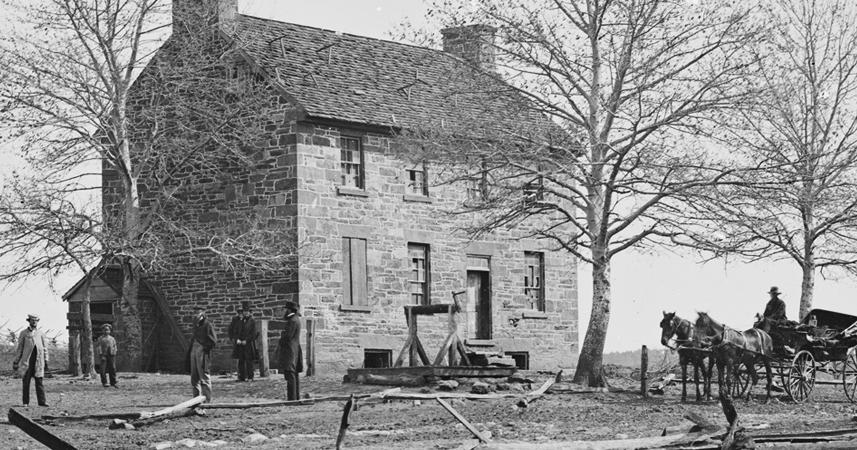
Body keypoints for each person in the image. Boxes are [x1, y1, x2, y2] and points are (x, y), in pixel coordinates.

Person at [12, 314, 49, 407]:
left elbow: (45, 348)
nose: (34, 322)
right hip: (27, 362)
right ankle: (25, 402)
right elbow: (20, 348)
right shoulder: (24, 333)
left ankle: (42, 402)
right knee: (26, 382)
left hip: (38, 362)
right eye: (32, 320)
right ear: (29, 321)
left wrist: (46, 360)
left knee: (39, 382)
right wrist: (16, 361)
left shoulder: (41, 333)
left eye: (36, 320)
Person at [188, 309, 217, 403]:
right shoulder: (195, 325)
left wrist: (204, 347)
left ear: (202, 315)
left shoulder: (207, 325)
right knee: (194, 377)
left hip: (202, 352)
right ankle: (196, 399)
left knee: (204, 377)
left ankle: (207, 400)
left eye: (198, 315)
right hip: (194, 350)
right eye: (195, 315)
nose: (196, 317)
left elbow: (213, 341)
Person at [277, 301, 303, 400]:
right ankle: (295, 397)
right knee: (294, 373)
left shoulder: (292, 321)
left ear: (290, 310)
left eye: (286, 309)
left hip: (290, 350)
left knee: (290, 374)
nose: (285, 311)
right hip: (294, 349)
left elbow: (288, 337)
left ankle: (292, 398)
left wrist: (281, 338)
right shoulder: (296, 319)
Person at [232, 301, 259, 382]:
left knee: (249, 360)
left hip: (249, 344)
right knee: (241, 360)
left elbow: (254, 334)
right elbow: (235, 331)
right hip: (240, 344)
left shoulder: (252, 321)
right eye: (244, 311)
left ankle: (250, 377)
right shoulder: (240, 320)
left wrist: (246, 341)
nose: (246, 313)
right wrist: (237, 339)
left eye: (247, 311)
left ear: (250, 312)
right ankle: (242, 377)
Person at [97, 323, 118, 388]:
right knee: (102, 370)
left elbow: (115, 346)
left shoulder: (112, 339)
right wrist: (101, 355)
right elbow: (98, 347)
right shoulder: (100, 338)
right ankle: (104, 382)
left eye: (108, 330)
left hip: (111, 355)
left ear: (110, 331)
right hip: (103, 355)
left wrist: (114, 352)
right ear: (102, 331)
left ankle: (113, 382)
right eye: (105, 330)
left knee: (112, 368)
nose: (106, 331)